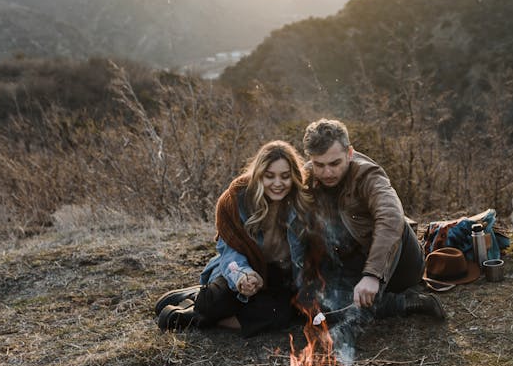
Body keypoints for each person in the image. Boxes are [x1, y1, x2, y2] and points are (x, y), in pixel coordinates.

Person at [154, 140, 310, 337]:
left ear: (294, 177)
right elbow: (229, 250)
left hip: (280, 277)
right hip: (241, 267)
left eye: (285, 177)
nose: (277, 183)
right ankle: (199, 297)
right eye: (269, 176)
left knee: (280, 316)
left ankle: (193, 315)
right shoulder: (236, 200)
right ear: (258, 175)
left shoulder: (304, 202)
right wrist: (243, 276)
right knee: (214, 303)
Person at [301, 118, 445, 321]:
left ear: (349, 153)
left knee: (346, 310)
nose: (327, 172)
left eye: (335, 163)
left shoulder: (368, 174)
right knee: (313, 304)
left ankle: (410, 301)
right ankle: (401, 302)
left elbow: (391, 217)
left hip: (397, 260)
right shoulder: (306, 175)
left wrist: (373, 274)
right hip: (351, 262)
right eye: (319, 165)